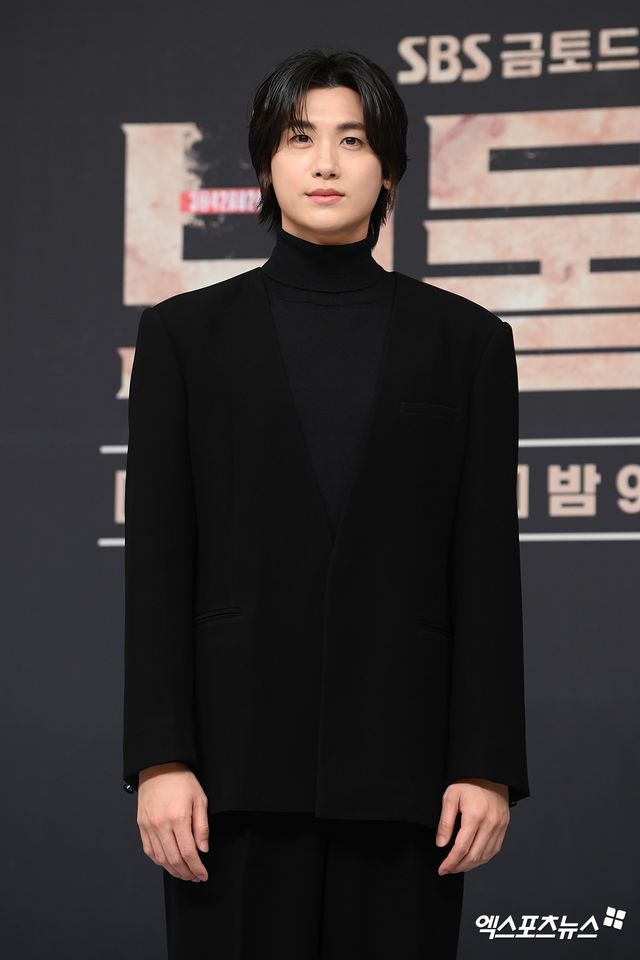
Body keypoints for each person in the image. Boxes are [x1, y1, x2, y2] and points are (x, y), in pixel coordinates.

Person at [122, 47, 530, 959]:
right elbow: (157, 563)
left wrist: (487, 766)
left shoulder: (466, 343)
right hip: (227, 776)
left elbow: (484, 568)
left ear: (390, 168)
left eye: (353, 140)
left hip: (408, 773)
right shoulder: (185, 337)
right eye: (300, 138)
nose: (326, 163)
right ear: (266, 162)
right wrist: (159, 759)